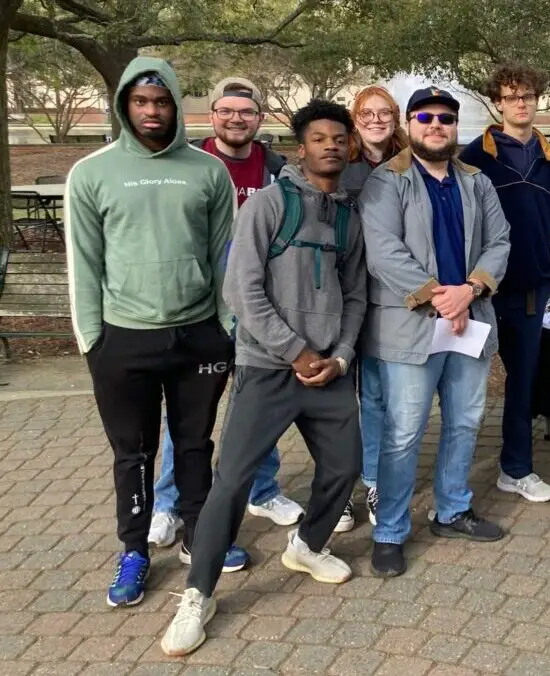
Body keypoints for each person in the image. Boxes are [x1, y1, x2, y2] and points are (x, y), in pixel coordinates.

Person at [160, 99, 367, 656]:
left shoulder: (349, 215)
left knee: (345, 467)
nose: (331, 146)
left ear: (349, 150)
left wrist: (341, 356)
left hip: (328, 372)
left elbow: (355, 295)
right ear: (301, 149)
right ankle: (198, 595)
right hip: (268, 369)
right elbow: (241, 291)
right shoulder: (270, 206)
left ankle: (306, 544)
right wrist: (294, 350)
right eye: (319, 138)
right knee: (232, 482)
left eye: (339, 139)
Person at [65, 57, 236, 607]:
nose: (152, 111)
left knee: (194, 444)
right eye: (141, 101)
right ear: (124, 105)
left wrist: (226, 326)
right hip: (124, 339)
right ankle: (135, 549)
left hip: (197, 337)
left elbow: (223, 260)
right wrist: (92, 340)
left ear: (176, 105)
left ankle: (198, 535)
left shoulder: (208, 172)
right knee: (132, 453)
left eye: (161, 102)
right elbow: (84, 264)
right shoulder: (92, 173)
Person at [358, 87, 511, 578]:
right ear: (411, 121)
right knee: (403, 433)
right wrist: (439, 296)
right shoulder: (387, 181)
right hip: (412, 327)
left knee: (466, 421)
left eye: (445, 117)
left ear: (455, 125)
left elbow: (500, 241)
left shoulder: (476, 181)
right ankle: (389, 532)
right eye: (425, 117)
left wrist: (469, 289)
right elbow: (382, 251)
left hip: (470, 322)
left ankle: (452, 510)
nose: (436, 125)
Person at [148, 78, 301, 550]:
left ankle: (263, 490)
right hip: (202, 310)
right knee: (191, 415)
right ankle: (168, 504)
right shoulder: (188, 166)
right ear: (211, 114)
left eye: (247, 112)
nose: (237, 119)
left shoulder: (279, 171)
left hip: (260, 309)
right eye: (227, 110)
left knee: (261, 405)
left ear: (260, 118)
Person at [459, 63, 550, 504]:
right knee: (464, 389)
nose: (520, 103)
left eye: (527, 95)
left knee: (522, 384)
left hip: (530, 293)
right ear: (498, 103)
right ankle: (453, 475)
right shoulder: (474, 156)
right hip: (481, 294)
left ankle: (516, 468)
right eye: (511, 97)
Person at [336, 85, 410, 533]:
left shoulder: (409, 162)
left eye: (385, 112)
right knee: (340, 400)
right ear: (355, 117)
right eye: (368, 113)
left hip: (390, 299)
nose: (377, 120)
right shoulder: (340, 163)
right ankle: (339, 488)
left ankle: (376, 481)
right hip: (344, 295)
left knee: (378, 398)